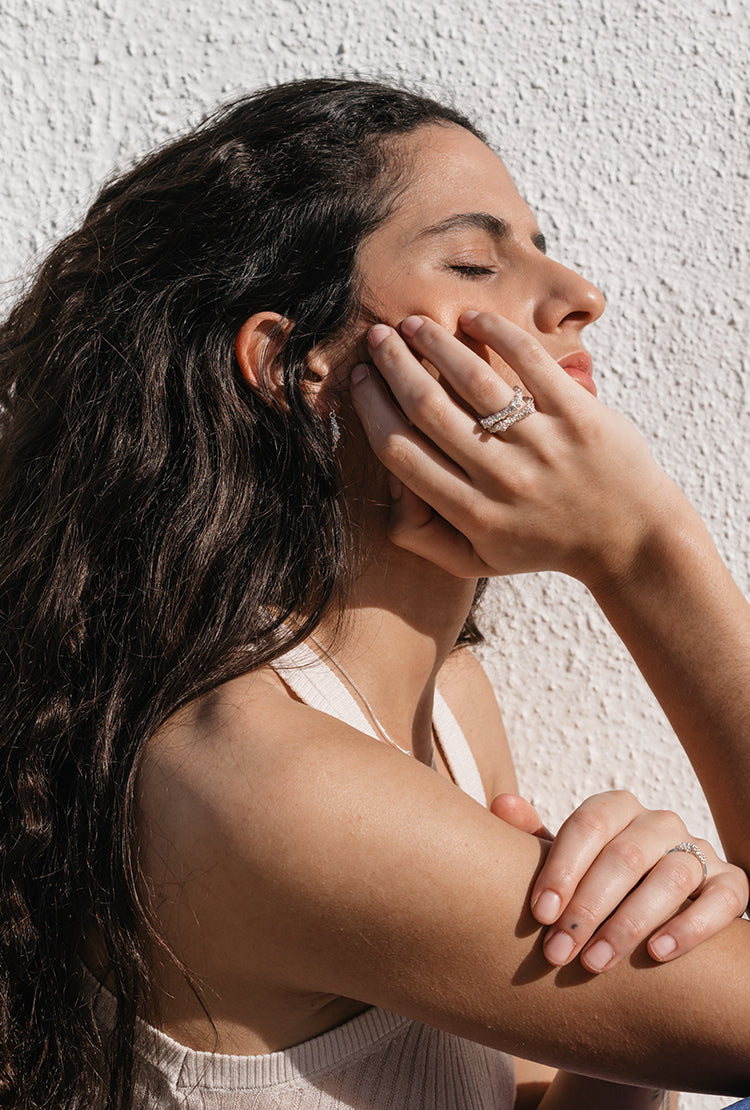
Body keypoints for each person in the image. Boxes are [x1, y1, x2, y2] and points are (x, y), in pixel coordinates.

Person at [0, 75, 748, 1110]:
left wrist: (619, 1025)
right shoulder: (270, 780)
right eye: (476, 261)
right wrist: (642, 550)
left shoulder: (446, 700)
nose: (579, 293)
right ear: (291, 363)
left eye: (544, 245)